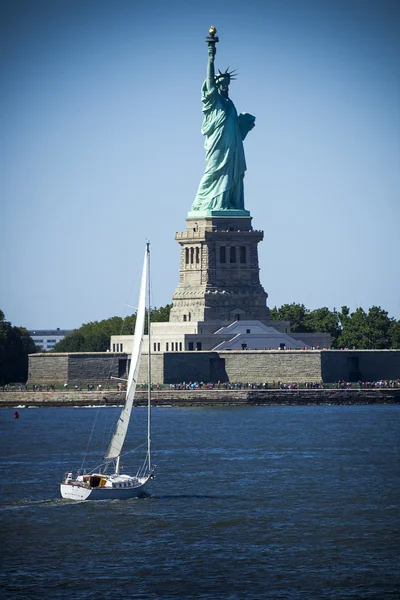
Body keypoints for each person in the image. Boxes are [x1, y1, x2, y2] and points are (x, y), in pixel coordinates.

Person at [191, 41, 255, 212]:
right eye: (222, 83)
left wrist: (243, 126)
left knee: (232, 174)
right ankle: (202, 203)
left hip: (233, 145)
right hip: (217, 143)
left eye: (228, 83)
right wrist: (211, 58)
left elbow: (234, 129)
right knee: (213, 171)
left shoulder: (230, 104)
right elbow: (210, 80)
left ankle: (227, 203)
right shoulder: (214, 101)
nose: (226, 86)